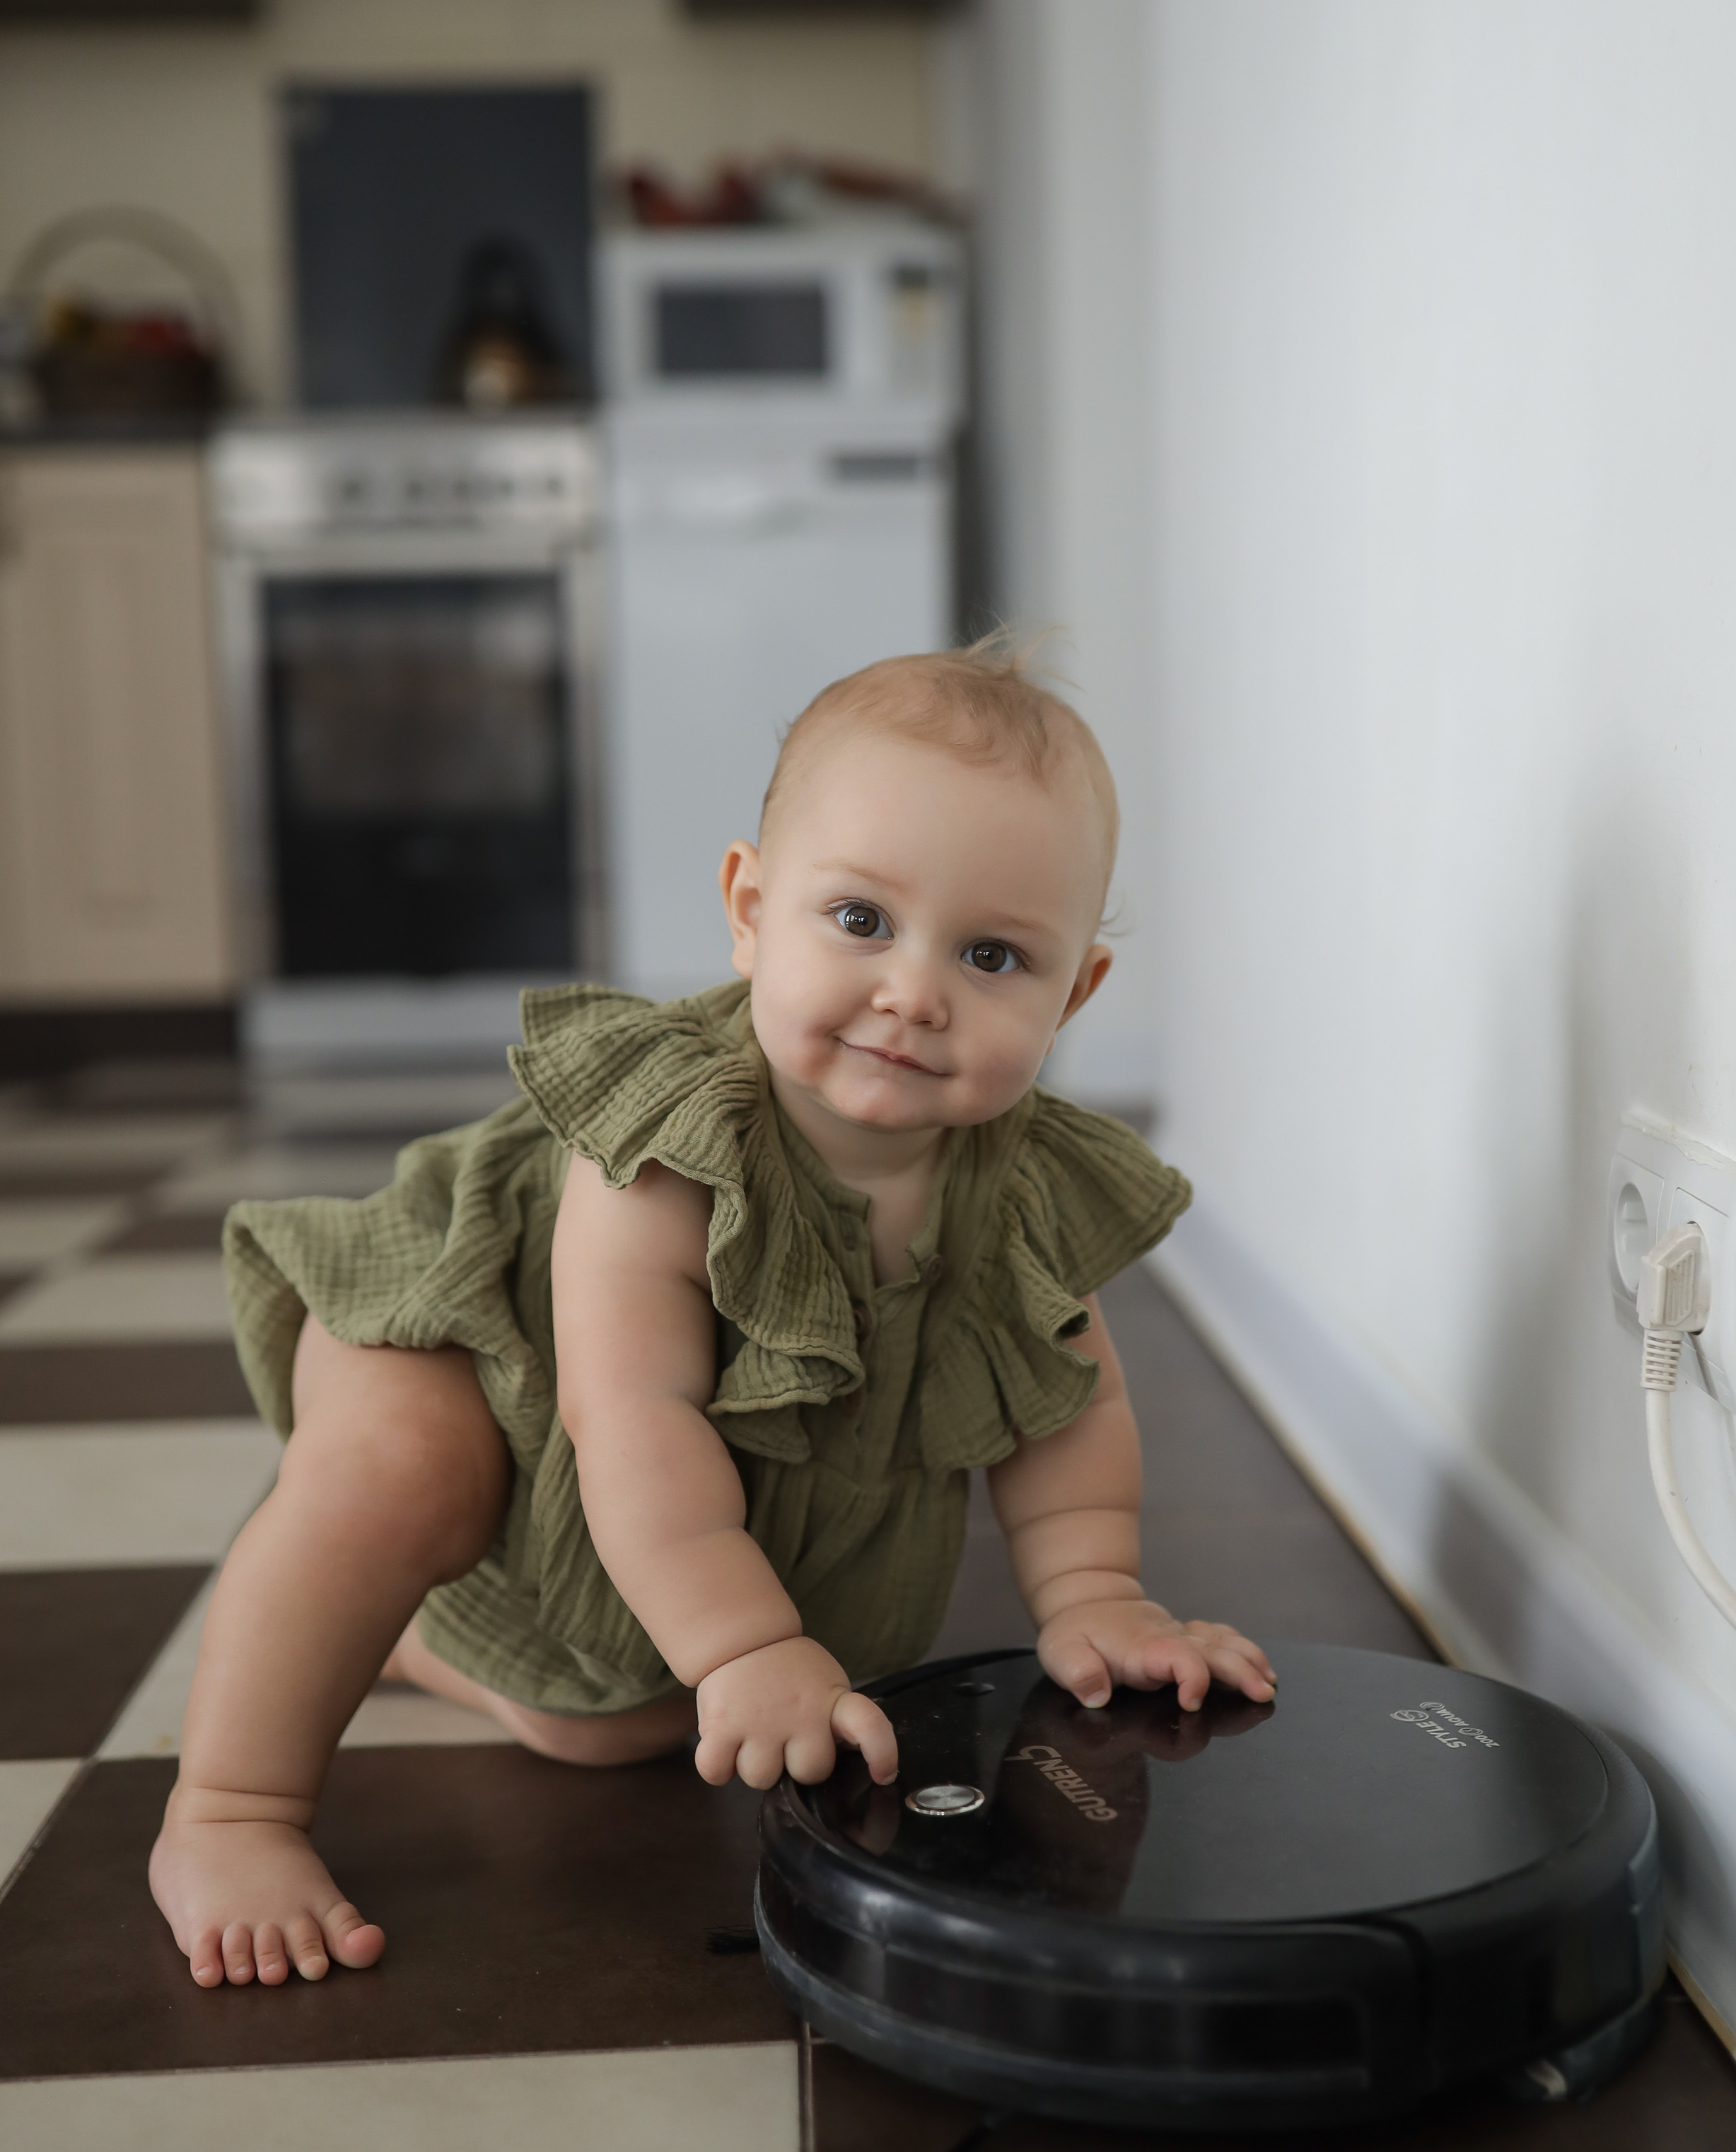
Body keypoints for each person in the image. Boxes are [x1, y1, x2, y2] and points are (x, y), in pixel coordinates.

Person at [149, 639, 1276, 1989]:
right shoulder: (674, 1136)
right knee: (406, 1477)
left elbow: (1068, 1400)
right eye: (859, 920)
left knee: (614, 1720)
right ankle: (228, 1811)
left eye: (991, 956)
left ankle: (416, 1636)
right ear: (751, 909)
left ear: (1073, 994)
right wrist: (748, 1642)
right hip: (474, 1330)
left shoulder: (1021, 1179)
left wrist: (1101, 1593)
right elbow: (630, 1408)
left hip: (639, 1484)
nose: (913, 993)